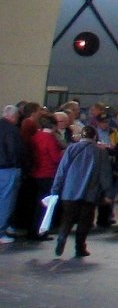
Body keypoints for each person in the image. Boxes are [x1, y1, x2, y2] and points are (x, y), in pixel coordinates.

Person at [49, 123, 113, 257]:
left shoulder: (71, 148)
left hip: (69, 190)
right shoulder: (100, 152)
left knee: (67, 218)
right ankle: (80, 247)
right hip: (90, 191)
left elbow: (62, 170)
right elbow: (104, 175)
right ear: (95, 136)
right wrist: (108, 193)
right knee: (85, 220)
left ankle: (62, 236)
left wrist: (55, 189)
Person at [18, 110, 61, 240]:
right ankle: (40, 231)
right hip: (47, 174)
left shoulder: (35, 136)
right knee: (45, 205)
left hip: (35, 173)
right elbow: (55, 158)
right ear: (53, 126)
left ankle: (32, 229)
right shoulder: (50, 139)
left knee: (36, 203)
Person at [0, 104, 21, 244]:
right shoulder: (12, 130)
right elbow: (14, 150)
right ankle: (1, 231)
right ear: (13, 116)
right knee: (6, 201)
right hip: (8, 168)